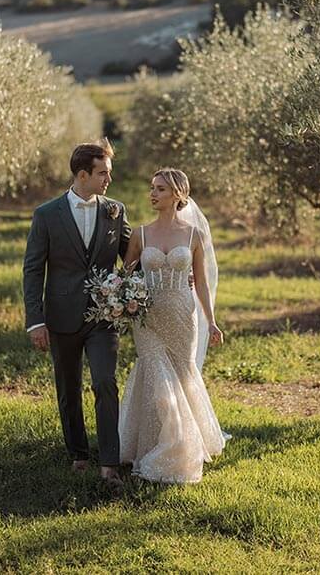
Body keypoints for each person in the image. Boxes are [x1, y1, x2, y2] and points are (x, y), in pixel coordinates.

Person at [22, 139, 130, 489]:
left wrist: (173, 268)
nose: (108, 180)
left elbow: (134, 256)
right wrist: (36, 320)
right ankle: (79, 454)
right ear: (82, 174)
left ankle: (110, 464)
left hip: (104, 316)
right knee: (68, 388)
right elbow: (33, 270)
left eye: (108, 174)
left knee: (105, 382)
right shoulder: (46, 215)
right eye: (103, 174)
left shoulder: (115, 210)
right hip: (61, 316)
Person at [117, 168, 228, 483]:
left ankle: (183, 442)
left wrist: (212, 321)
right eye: (152, 188)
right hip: (148, 317)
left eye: (161, 189)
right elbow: (125, 276)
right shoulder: (140, 234)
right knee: (153, 371)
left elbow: (202, 283)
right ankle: (161, 443)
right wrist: (122, 300)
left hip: (181, 314)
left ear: (178, 194)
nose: (153, 194)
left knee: (180, 372)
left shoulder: (194, 236)